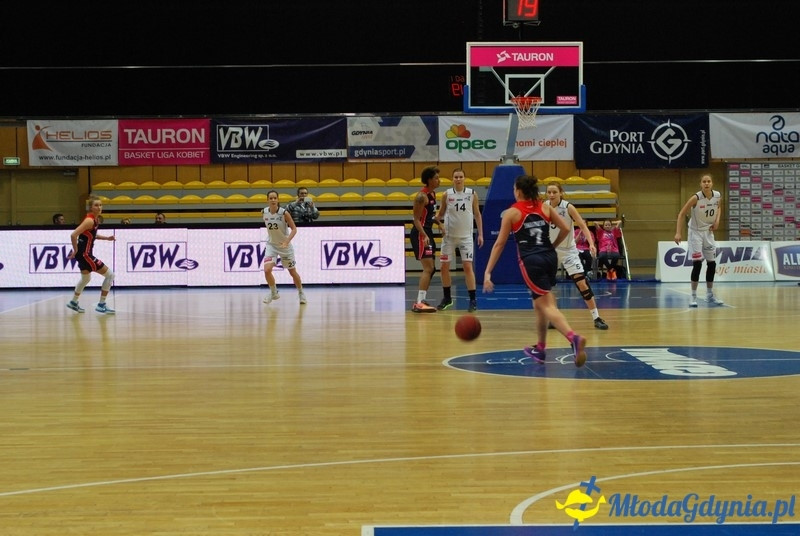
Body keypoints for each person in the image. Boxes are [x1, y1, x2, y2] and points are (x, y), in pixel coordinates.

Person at [482, 175, 587, 367]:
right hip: (549, 258)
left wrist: (488, 272)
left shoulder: (512, 212)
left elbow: (499, 244)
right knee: (539, 303)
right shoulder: (544, 206)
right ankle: (540, 348)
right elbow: (565, 228)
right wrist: (552, 245)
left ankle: (574, 338)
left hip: (531, 261)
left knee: (547, 305)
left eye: (514, 189)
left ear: (519, 191)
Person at [545, 182, 609, 330]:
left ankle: (597, 317)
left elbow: (582, 225)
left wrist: (592, 244)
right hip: (551, 251)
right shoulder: (544, 206)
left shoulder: (568, 207)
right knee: (546, 287)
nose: (552, 195)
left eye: (554, 192)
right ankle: (553, 318)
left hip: (568, 251)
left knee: (582, 284)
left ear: (561, 192)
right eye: (549, 192)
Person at [434, 168, 484, 312]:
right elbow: (441, 213)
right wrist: (436, 219)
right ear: (452, 179)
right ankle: (447, 298)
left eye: (460, 176)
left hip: (466, 237)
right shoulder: (446, 194)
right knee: (444, 267)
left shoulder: (472, 194)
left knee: (468, 267)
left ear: (464, 178)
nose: (458, 179)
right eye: (455, 177)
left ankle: (473, 299)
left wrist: (480, 234)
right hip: (449, 237)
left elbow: (477, 215)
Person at [674, 173, 724, 307]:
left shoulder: (717, 195)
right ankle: (693, 296)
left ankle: (709, 294)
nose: (706, 183)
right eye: (704, 181)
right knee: (697, 264)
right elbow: (681, 214)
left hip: (708, 231)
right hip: (695, 233)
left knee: (712, 264)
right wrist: (678, 232)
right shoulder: (696, 198)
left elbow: (718, 207)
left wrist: (717, 221)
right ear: (701, 184)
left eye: (709, 181)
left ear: (712, 183)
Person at [66, 196, 116, 314]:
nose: (99, 207)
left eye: (100, 205)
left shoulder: (95, 220)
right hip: (85, 255)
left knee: (86, 278)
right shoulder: (89, 220)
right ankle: (101, 304)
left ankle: (73, 302)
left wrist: (107, 238)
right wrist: (75, 250)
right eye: (96, 205)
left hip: (83, 255)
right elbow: (73, 235)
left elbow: (92, 235)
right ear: (91, 208)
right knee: (110, 275)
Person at [262, 190, 307, 305]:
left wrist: (287, 241)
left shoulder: (284, 213)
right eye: (270, 198)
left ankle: (301, 293)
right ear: (267, 200)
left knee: (292, 272)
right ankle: (273, 292)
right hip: (271, 245)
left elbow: (294, 229)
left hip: (285, 247)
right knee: (267, 270)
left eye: (274, 198)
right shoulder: (264, 212)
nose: (272, 200)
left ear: (278, 200)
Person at [410, 166, 441, 313]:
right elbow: (416, 219)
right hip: (420, 233)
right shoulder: (421, 196)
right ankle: (419, 302)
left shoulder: (433, 194)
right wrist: (424, 235)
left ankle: (421, 300)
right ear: (429, 180)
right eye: (436, 178)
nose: (438, 180)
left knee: (432, 269)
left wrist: (439, 224)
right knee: (428, 268)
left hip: (427, 231)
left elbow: (429, 216)